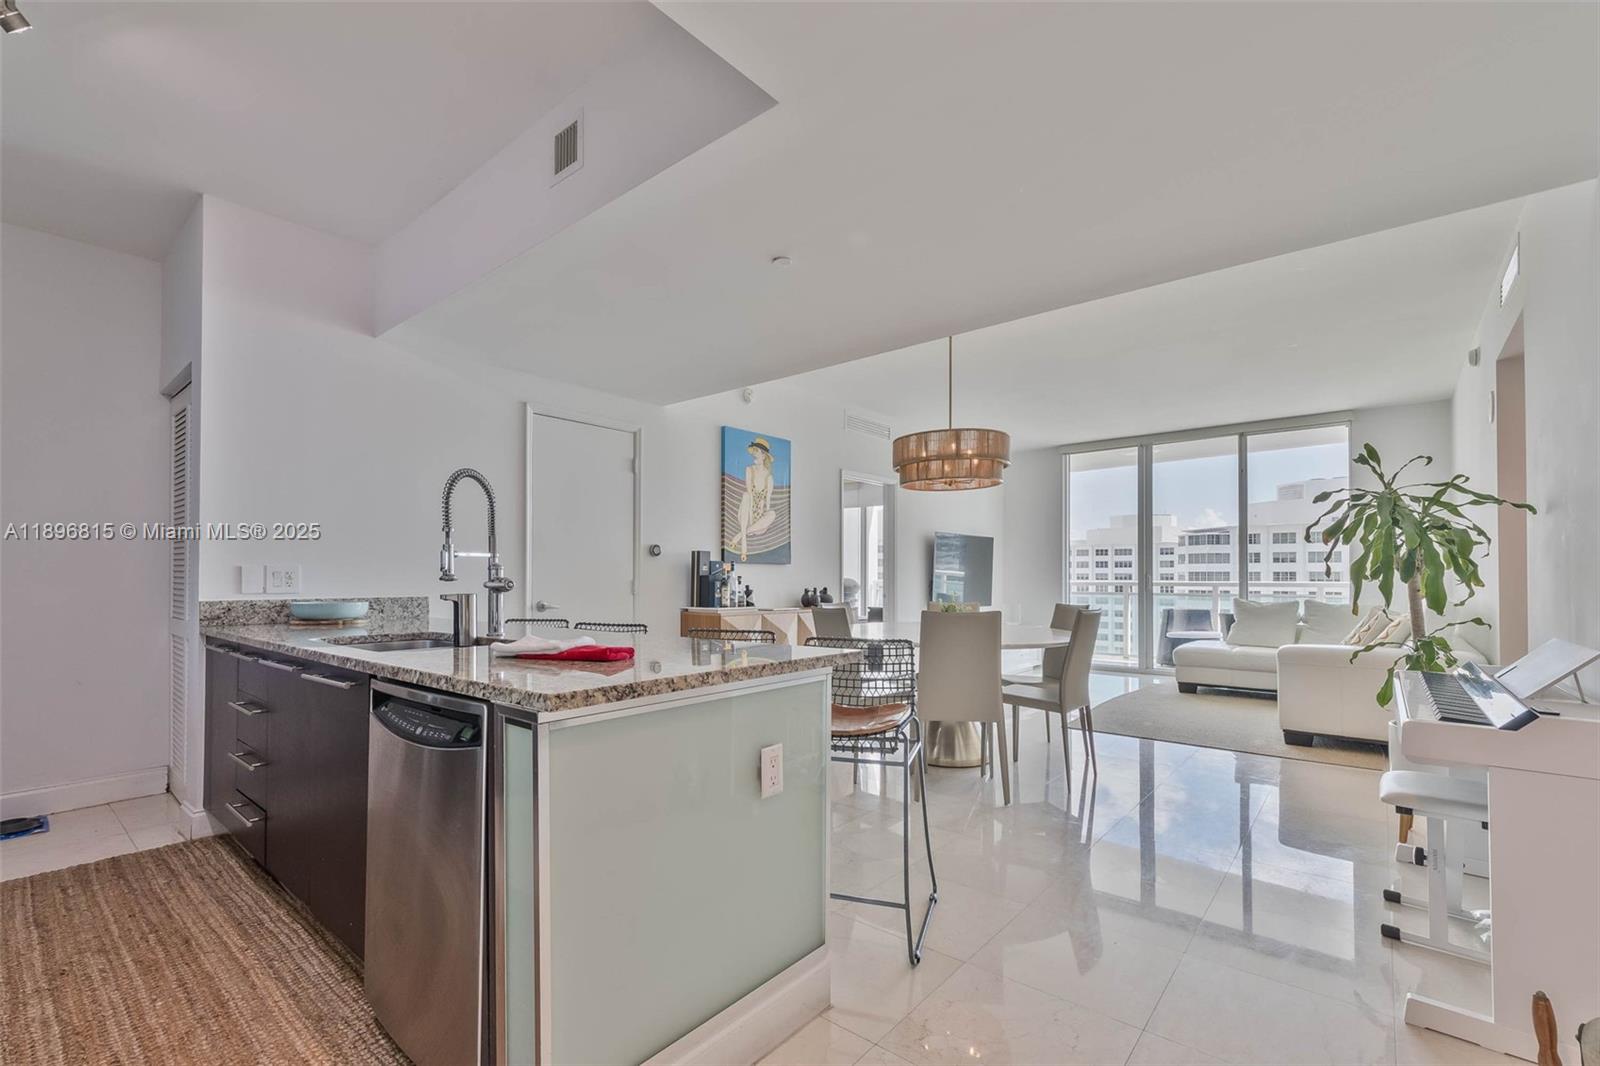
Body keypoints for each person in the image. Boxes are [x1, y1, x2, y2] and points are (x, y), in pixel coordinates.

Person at [731, 437, 777, 561]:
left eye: (756, 451)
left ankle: (740, 535)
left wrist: (763, 515)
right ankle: (744, 547)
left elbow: (767, 503)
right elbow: (750, 494)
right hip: (747, 515)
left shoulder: (769, 477)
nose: (754, 454)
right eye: (754, 451)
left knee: (772, 513)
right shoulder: (749, 470)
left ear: (763, 455)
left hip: (759, 524)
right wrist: (753, 514)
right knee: (746, 496)